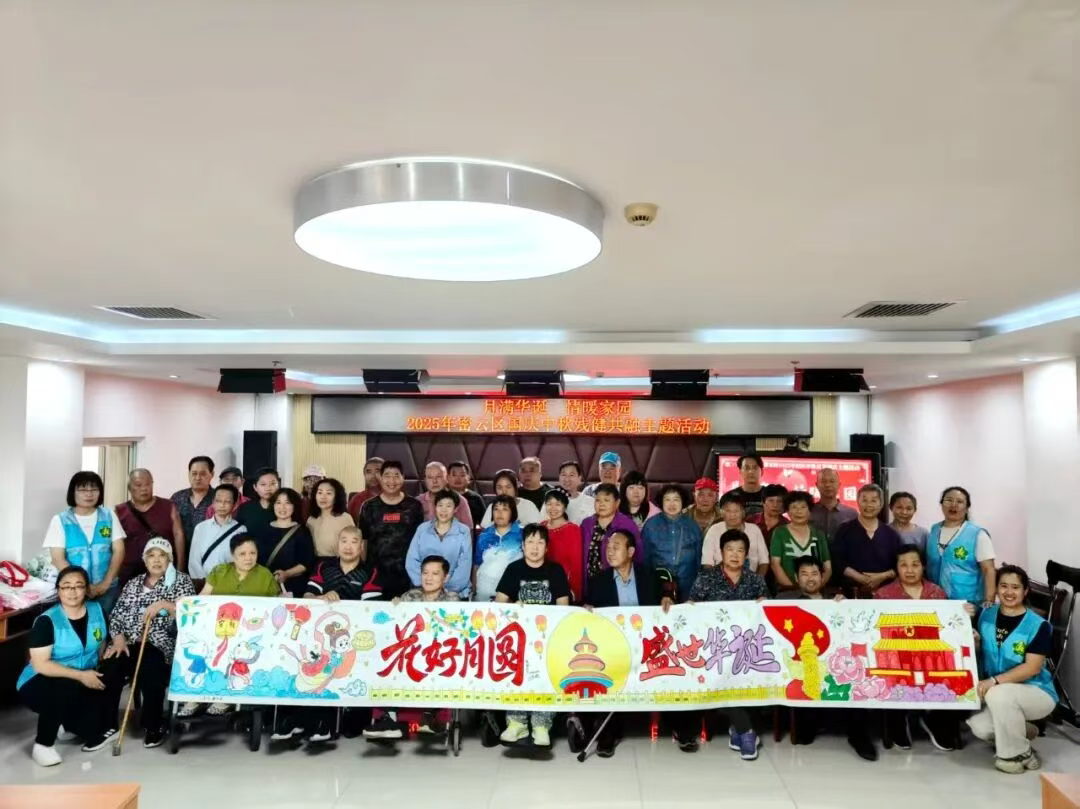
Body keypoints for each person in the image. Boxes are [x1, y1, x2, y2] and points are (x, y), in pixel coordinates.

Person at [101, 538, 195, 748]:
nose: (157, 560)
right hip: (128, 642)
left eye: (162, 555)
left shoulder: (181, 581)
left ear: (170, 559)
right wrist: (118, 638)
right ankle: (108, 725)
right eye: (151, 555)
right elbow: (116, 615)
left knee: (150, 668)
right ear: (145, 560)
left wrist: (166, 605)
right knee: (109, 668)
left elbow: (192, 614)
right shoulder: (133, 583)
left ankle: (154, 724)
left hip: (160, 643)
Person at [18, 566, 115, 767]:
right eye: (66, 586)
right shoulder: (47, 621)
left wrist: (101, 666)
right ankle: (43, 745)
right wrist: (81, 676)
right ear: (58, 590)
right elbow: (41, 665)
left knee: (94, 729)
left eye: (78, 586)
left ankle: (66, 720)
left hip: (81, 678)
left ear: (86, 589)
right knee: (62, 686)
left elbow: (101, 644)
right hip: (39, 681)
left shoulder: (97, 610)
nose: (72, 591)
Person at [781, 557, 877, 760]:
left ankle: (858, 736)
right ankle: (811, 723)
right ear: (796, 578)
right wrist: (760, 604)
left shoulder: (836, 597)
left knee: (857, 675)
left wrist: (845, 606)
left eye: (814, 573)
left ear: (822, 576)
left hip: (838, 657)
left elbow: (854, 627)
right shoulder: (785, 599)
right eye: (804, 574)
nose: (810, 578)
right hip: (805, 659)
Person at [577, 528, 659, 757]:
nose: (610, 552)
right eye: (608, 547)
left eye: (616, 547)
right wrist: (587, 609)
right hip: (612, 646)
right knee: (601, 672)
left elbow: (662, 606)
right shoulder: (598, 582)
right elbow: (589, 610)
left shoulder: (648, 576)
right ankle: (607, 734)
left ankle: (682, 730)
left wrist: (667, 599)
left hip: (645, 644)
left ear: (631, 551)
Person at [968, 564, 1057, 774]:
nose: (1009, 592)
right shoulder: (986, 615)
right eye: (1004, 586)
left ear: (1025, 591)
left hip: (1037, 692)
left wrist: (993, 681)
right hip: (1002, 694)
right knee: (980, 727)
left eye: (1015, 587)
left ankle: (1013, 756)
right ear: (997, 588)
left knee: (997, 693)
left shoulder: (1038, 625)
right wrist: (977, 643)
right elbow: (984, 652)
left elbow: (1032, 668)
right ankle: (1024, 736)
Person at [687, 529, 767, 761]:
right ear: (721, 552)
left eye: (740, 550)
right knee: (720, 676)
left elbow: (767, 616)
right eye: (729, 549)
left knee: (753, 674)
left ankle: (737, 729)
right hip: (714, 649)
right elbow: (691, 608)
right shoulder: (706, 579)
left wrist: (765, 603)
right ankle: (746, 731)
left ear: (746, 554)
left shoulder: (755, 580)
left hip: (747, 649)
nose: (734, 554)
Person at [873, 546, 956, 752]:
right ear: (896, 568)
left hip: (930, 652)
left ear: (923, 566)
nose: (910, 570)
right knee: (893, 675)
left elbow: (948, 627)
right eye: (904, 565)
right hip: (897, 653)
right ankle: (899, 721)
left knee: (946, 675)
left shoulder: (937, 593)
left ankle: (933, 720)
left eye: (915, 564)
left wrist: (963, 614)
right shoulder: (883, 595)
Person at [496, 524, 570, 749]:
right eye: (530, 542)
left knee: (545, 674)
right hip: (518, 638)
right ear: (522, 545)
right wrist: (513, 608)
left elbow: (563, 607)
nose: (534, 547)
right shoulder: (513, 569)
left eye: (540, 542)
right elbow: (499, 604)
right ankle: (516, 723)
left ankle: (541, 725)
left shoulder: (555, 571)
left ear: (547, 547)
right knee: (515, 673)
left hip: (548, 638)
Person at [44, 472, 126, 614]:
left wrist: (105, 583)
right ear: (73, 492)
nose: (89, 494)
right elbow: (58, 558)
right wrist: (83, 586)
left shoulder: (109, 516)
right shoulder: (60, 520)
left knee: (106, 624)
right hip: (74, 592)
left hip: (107, 589)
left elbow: (119, 550)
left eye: (94, 489)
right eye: (83, 490)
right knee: (77, 624)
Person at [357, 460, 426, 599]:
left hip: (406, 574)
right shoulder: (369, 506)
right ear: (380, 478)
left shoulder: (414, 506)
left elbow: (420, 541)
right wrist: (362, 571)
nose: (392, 481)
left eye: (396, 476)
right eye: (387, 476)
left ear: (403, 478)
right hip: (374, 574)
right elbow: (363, 541)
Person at [927, 486, 997, 607]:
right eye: (949, 500)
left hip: (968, 604)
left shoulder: (977, 534)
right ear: (941, 504)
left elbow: (988, 570)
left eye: (959, 502)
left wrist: (989, 601)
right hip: (935, 601)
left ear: (967, 507)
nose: (953, 505)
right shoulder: (934, 530)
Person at [115, 468, 185, 582]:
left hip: (164, 573)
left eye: (148, 484)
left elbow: (179, 536)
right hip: (130, 575)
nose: (144, 488)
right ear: (129, 488)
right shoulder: (119, 511)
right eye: (138, 485)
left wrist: (180, 568)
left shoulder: (168, 506)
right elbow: (115, 546)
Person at [832, 484, 903, 595]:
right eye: (864, 500)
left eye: (873, 501)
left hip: (885, 595)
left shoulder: (891, 534)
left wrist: (882, 576)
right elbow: (837, 562)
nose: (869, 505)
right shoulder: (844, 530)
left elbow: (899, 565)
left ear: (881, 504)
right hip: (852, 595)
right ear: (857, 502)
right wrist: (861, 578)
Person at [642, 484, 702, 604]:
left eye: (676, 499)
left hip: (688, 585)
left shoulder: (693, 526)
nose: (672, 504)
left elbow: (698, 559)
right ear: (661, 502)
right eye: (667, 499)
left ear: (683, 502)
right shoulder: (650, 526)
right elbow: (645, 558)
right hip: (659, 585)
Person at [580, 483, 641, 601]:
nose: (601, 504)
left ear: (617, 503)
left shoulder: (627, 525)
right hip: (590, 583)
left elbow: (638, 556)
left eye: (606, 500)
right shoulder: (586, 523)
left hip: (617, 584)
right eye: (598, 500)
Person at [406, 489, 472, 598]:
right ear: (435, 507)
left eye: (448, 506)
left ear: (455, 509)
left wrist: (446, 590)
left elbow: (464, 564)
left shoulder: (463, 531)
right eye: (440, 505)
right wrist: (426, 586)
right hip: (424, 591)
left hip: (453, 593)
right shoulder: (422, 529)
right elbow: (412, 560)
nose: (443, 510)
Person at [258, 488, 316, 598]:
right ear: (273, 505)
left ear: (295, 506)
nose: (282, 507)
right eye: (278, 502)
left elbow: (307, 562)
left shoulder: (302, 531)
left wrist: (287, 574)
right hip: (266, 585)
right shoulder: (262, 529)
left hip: (294, 586)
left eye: (287, 503)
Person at [770, 491, 832, 591]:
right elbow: (775, 564)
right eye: (794, 507)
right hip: (788, 591)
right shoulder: (780, 532)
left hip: (816, 591)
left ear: (809, 511)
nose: (799, 511)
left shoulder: (819, 534)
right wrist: (794, 590)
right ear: (788, 511)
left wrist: (816, 588)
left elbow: (827, 567)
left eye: (803, 507)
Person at [306, 525, 382, 603]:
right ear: (338, 544)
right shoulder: (323, 566)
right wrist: (321, 597)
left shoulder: (370, 572)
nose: (348, 547)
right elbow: (307, 596)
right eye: (344, 541)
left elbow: (372, 605)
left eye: (354, 542)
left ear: (361, 546)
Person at [188, 483, 246, 585]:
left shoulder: (241, 530)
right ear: (213, 503)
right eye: (218, 501)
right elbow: (194, 561)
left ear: (235, 504)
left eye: (227, 501)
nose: (222, 505)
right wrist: (205, 583)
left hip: (229, 584)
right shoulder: (201, 528)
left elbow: (241, 561)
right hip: (203, 583)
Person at [702, 492, 769, 576]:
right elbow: (707, 563)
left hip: (751, 578)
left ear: (743, 512)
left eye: (736, 511)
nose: (732, 515)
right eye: (728, 511)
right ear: (721, 512)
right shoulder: (714, 530)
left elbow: (764, 561)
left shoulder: (754, 530)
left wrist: (757, 581)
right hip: (719, 579)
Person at [473, 495, 524, 602]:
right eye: (496, 509)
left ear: (513, 512)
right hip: (484, 589)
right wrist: (474, 590)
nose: (500, 513)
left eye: (505, 509)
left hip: (513, 591)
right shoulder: (484, 535)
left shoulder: (522, 534)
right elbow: (477, 565)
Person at [538, 487, 584, 602]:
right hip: (541, 583)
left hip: (563, 584)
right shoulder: (541, 526)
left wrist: (575, 590)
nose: (553, 508)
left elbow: (576, 564)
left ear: (565, 507)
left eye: (557, 504)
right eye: (549, 504)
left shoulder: (573, 529)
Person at [199, 534, 280, 598]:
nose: (248, 558)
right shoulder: (218, 571)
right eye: (242, 554)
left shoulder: (265, 575)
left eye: (252, 553)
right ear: (233, 555)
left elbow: (277, 602)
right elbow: (203, 597)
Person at [170, 456, 215, 551]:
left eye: (203, 474)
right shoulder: (177, 498)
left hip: (208, 553)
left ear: (212, 474)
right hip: (180, 553)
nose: (198, 478)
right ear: (189, 474)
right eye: (194, 473)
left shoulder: (218, 499)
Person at [306, 477, 354, 562]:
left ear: (336, 497)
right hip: (314, 564)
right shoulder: (311, 519)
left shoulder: (345, 518)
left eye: (328, 493)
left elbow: (353, 546)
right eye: (320, 492)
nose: (323, 497)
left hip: (339, 564)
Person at [416, 462, 474, 527]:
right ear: (425, 480)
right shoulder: (418, 501)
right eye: (430, 477)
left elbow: (468, 528)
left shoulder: (460, 500)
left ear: (447, 478)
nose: (434, 481)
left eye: (438, 477)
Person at [809, 468, 857, 543]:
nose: (827, 485)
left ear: (839, 485)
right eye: (823, 481)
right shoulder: (808, 512)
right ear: (817, 485)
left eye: (832, 481)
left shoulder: (852, 514)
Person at [235, 467, 280, 537]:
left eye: (273, 484)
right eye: (263, 484)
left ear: (278, 485)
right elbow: (237, 534)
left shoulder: (284, 508)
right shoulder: (245, 508)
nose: (268, 488)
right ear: (255, 487)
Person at [447, 460, 486, 528]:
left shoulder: (476, 498)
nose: (458, 478)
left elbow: (485, 524)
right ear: (447, 478)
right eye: (454, 475)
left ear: (468, 478)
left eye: (462, 475)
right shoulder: (442, 497)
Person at [726, 453, 766, 518]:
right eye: (747, 468)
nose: (751, 471)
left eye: (755, 468)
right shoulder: (729, 497)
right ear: (740, 472)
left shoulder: (771, 495)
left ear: (762, 471)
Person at [347, 456, 384, 522]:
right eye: (368, 472)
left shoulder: (395, 498)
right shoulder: (356, 499)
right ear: (364, 475)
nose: (373, 475)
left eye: (377, 471)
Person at [558, 460, 595, 525]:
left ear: (579, 479)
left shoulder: (590, 502)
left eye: (571, 475)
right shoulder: (550, 500)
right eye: (563, 475)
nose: (567, 479)